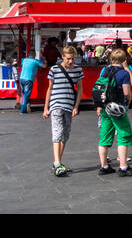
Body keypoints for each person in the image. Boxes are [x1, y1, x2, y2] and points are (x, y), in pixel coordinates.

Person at [96, 49, 132, 176]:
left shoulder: (105, 71)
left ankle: (104, 166)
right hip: (117, 108)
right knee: (123, 135)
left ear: (110, 59)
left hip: (104, 108)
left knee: (104, 137)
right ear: (124, 60)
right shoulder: (124, 73)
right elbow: (126, 92)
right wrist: (129, 99)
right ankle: (123, 167)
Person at [43, 44, 84, 177]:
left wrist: (76, 106)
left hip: (69, 105)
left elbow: (80, 89)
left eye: (72, 58)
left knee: (65, 134)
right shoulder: (54, 69)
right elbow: (49, 88)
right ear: (62, 57)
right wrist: (46, 107)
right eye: (68, 58)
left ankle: (57, 162)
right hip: (56, 105)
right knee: (57, 132)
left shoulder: (78, 70)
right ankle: (57, 163)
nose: (70, 61)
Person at [18, 50, 44, 114]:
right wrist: (44, 59)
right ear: (34, 54)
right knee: (26, 95)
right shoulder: (35, 61)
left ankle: (27, 106)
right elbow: (44, 66)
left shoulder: (24, 60)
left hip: (21, 78)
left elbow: (21, 65)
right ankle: (22, 110)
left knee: (24, 94)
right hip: (28, 79)